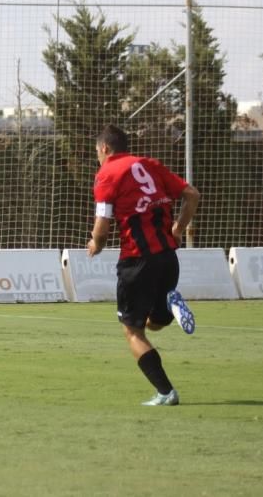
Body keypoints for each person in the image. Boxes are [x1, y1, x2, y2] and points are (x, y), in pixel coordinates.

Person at [86, 124, 199, 406]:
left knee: (132, 330)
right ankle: (170, 306)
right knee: (153, 324)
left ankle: (165, 392)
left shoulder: (107, 174)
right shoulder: (150, 165)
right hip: (168, 257)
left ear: (104, 149)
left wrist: (95, 245)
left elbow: (102, 225)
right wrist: (178, 227)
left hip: (138, 261)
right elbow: (192, 195)